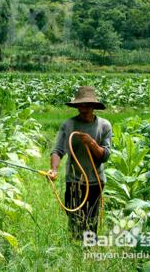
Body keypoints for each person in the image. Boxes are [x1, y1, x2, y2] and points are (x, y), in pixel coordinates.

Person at [47, 86, 112, 240]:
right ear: (76, 106)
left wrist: (92, 143)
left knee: (90, 222)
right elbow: (57, 151)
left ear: (94, 106)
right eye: (80, 105)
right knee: (74, 220)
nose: (83, 108)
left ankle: (89, 252)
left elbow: (105, 155)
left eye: (87, 105)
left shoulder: (104, 126)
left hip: (95, 181)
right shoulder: (68, 125)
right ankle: (76, 251)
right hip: (74, 181)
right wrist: (54, 170)